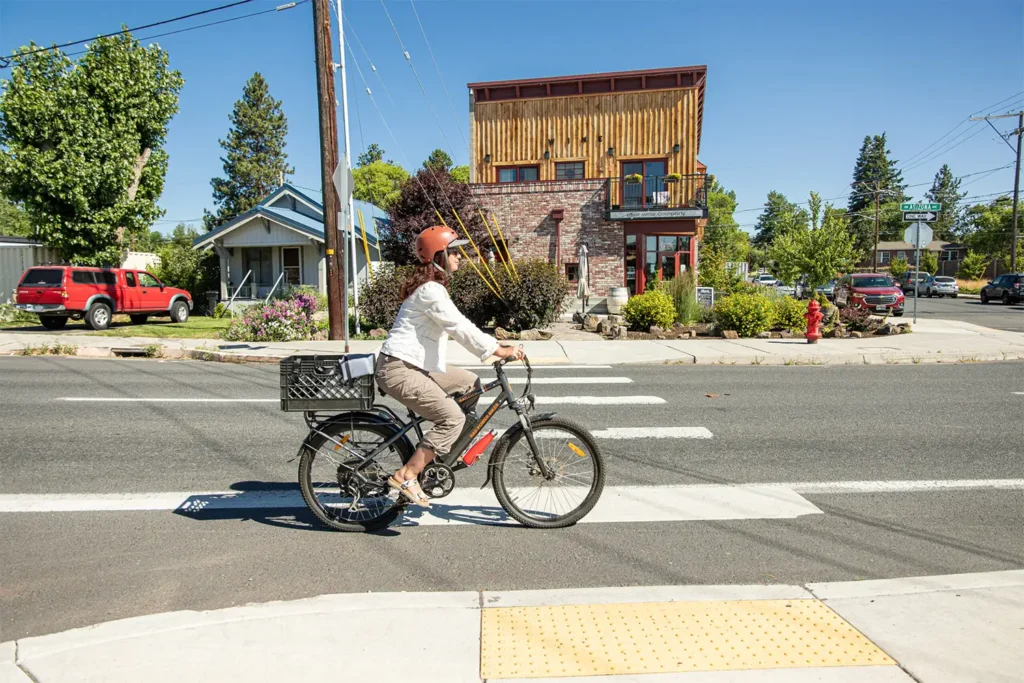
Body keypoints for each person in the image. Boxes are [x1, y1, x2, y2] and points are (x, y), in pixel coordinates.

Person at [374, 225, 524, 507]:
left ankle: (438, 454)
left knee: (471, 384)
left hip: (416, 365)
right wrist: (498, 349)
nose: (461, 258)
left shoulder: (434, 287)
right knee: (452, 418)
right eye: (455, 252)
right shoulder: (430, 290)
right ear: (438, 255)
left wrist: (494, 348)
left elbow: (458, 327)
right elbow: (459, 327)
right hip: (398, 369)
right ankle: (407, 474)